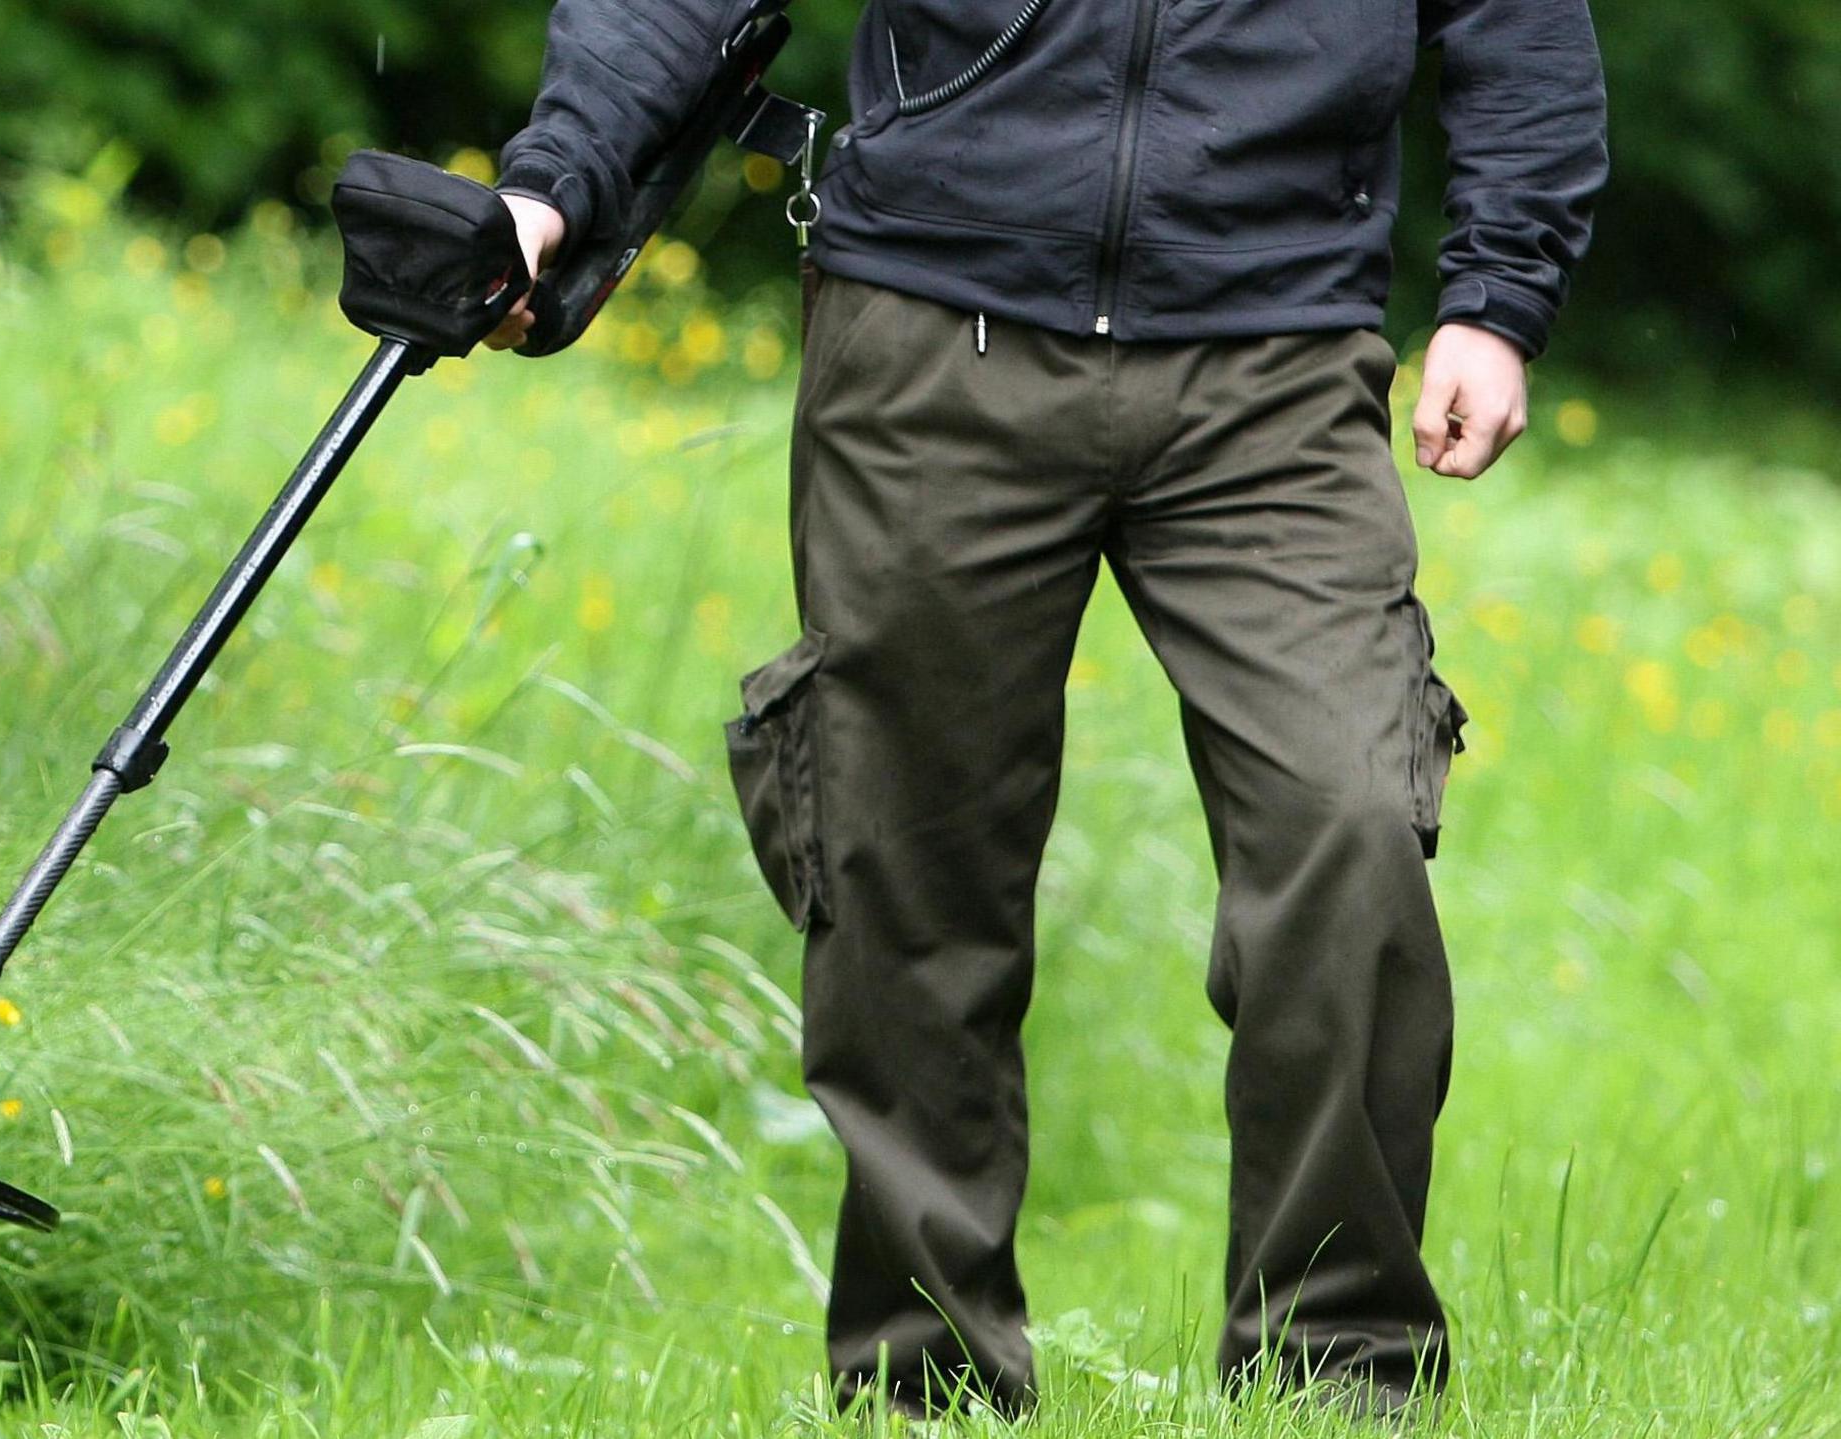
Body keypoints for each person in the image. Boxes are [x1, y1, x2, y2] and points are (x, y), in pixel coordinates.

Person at [481, 0, 1608, 1422]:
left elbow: (1520, 21)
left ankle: (1338, 1385)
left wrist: (1496, 299)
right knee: (907, 866)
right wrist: (550, 184)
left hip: (1275, 357)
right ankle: (922, 1391)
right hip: (927, 331)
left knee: (1351, 817)